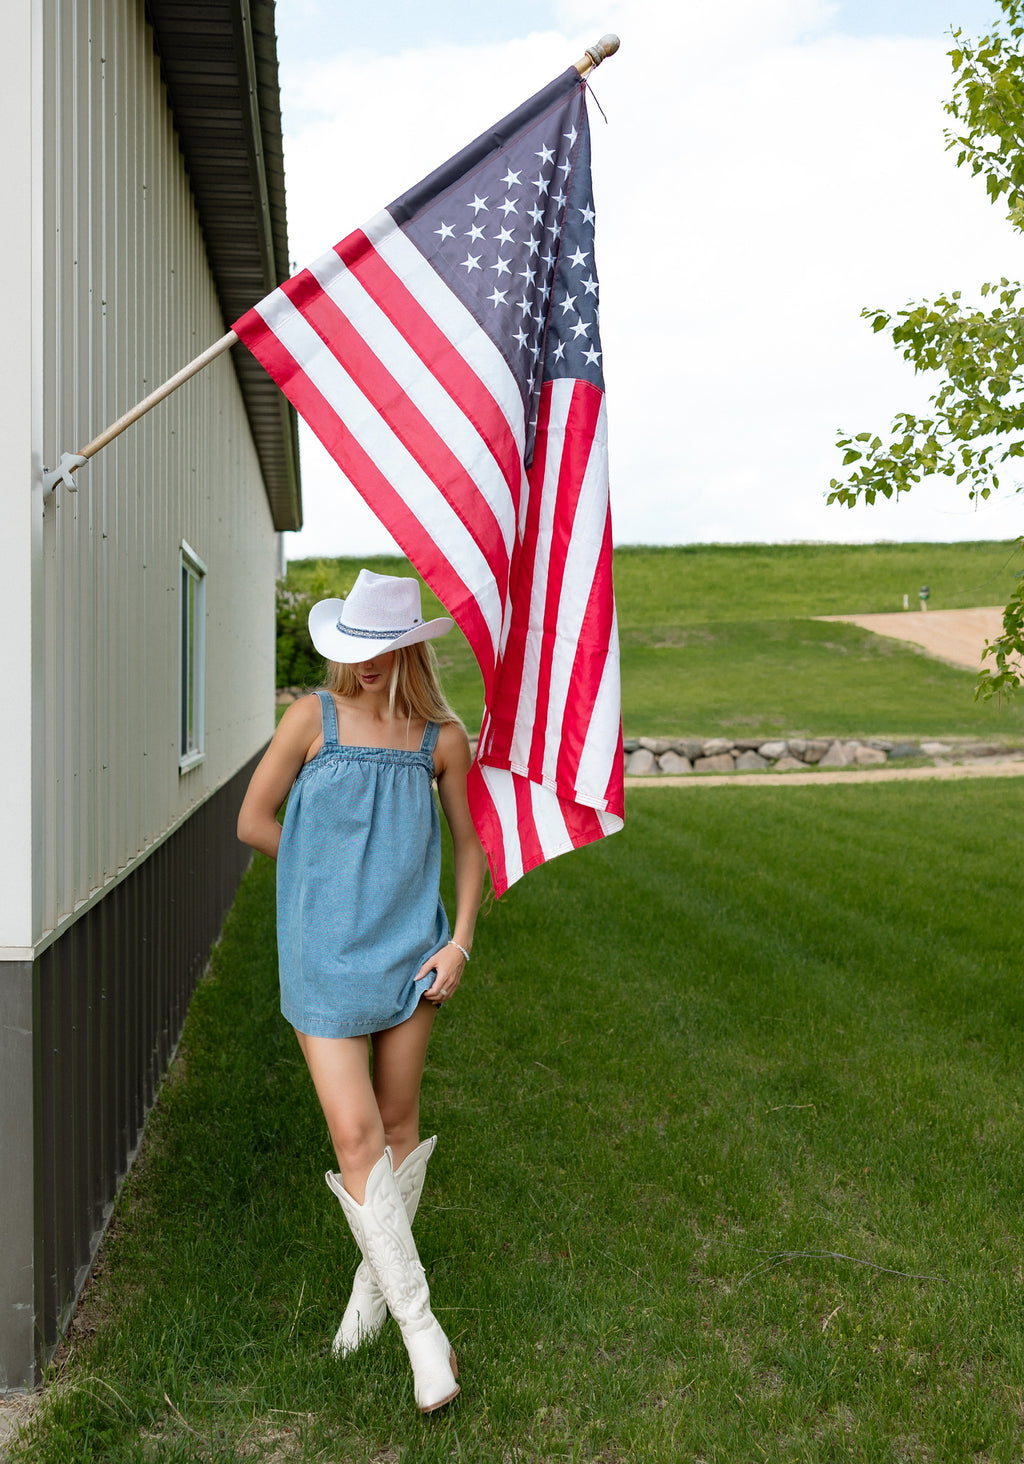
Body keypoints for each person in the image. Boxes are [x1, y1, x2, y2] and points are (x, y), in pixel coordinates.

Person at [237, 569, 486, 1413]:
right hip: (324, 952)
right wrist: (321, 881)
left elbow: (470, 850)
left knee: (399, 1124)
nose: (367, 667)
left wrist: (458, 943)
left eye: (383, 652)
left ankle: (369, 1293)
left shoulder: (439, 739)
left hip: (413, 953)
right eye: (358, 651)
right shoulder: (313, 719)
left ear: (409, 648)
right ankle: (424, 1332)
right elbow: (254, 818)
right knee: (355, 1132)